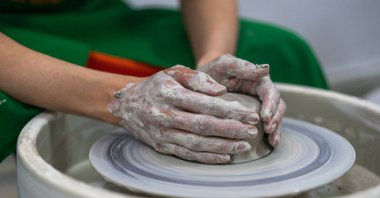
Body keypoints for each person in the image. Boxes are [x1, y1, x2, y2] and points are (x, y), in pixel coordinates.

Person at [0, 0, 327, 163]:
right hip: (10, 36)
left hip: (97, 15)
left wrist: (211, 61)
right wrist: (122, 100)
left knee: (283, 51)